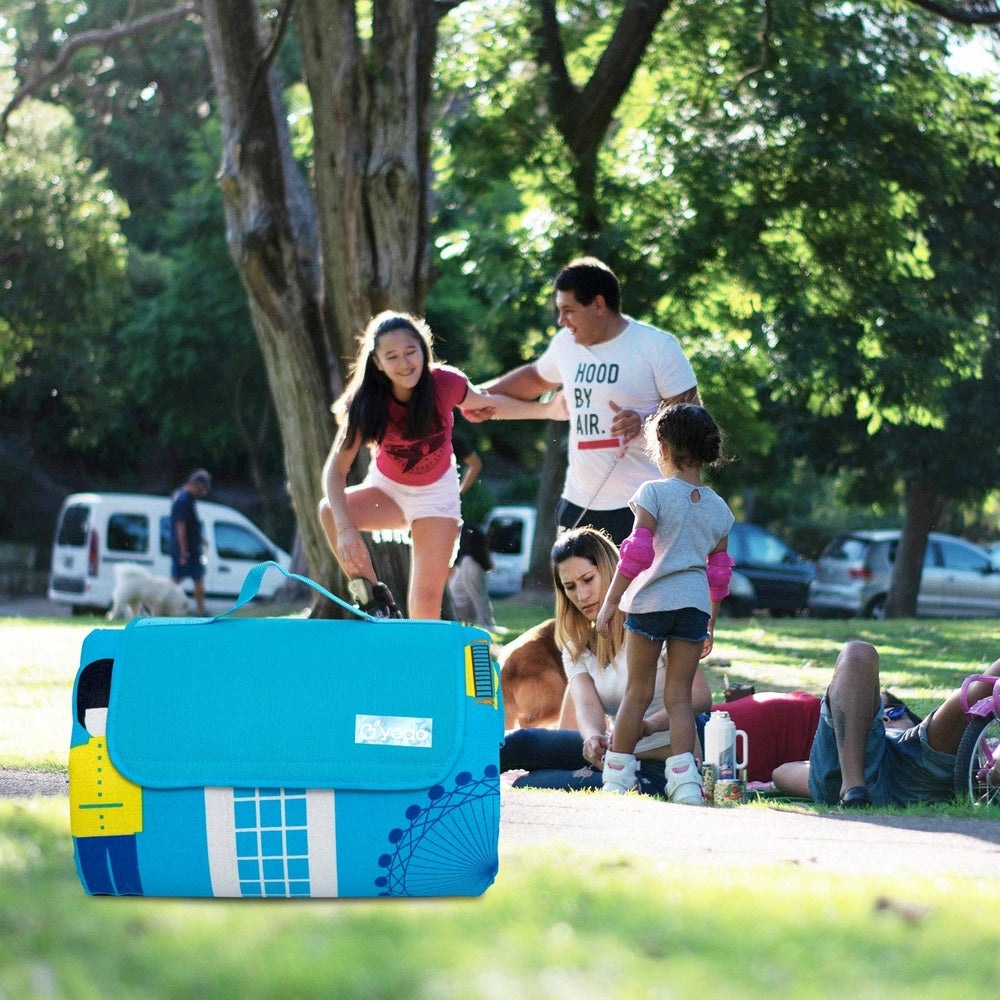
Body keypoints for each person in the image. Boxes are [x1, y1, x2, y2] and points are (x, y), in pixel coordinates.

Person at [318, 310, 559, 620]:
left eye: (410, 351)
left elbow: (488, 403)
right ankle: (375, 602)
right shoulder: (366, 405)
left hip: (435, 498)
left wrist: (548, 410)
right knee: (331, 510)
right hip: (388, 491)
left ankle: (421, 664)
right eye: (392, 356)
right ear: (377, 363)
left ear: (423, 349)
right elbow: (335, 471)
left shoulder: (445, 383)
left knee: (426, 604)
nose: (404, 363)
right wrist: (345, 530)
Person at [471, 257, 699, 545]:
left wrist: (646, 423)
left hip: (643, 506)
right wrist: (478, 395)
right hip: (579, 503)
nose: (561, 321)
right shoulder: (565, 345)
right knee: (571, 589)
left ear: (599, 306)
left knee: (635, 593)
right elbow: (535, 378)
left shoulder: (656, 346)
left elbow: (694, 418)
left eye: (569, 311)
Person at [499, 526, 713, 796]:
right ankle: (442, 776)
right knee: (519, 743)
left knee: (530, 783)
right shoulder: (576, 641)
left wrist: (646, 727)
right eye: (570, 587)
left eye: (588, 579)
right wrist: (591, 739)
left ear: (611, 569)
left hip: (664, 762)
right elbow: (586, 703)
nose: (581, 595)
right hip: (615, 755)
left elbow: (700, 696)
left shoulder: (654, 618)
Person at [596, 403, 735, 804]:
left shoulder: (652, 493)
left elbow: (637, 552)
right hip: (693, 608)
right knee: (678, 697)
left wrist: (611, 600)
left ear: (664, 447)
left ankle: (618, 779)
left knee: (637, 693)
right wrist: (711, 624)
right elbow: (719, 575)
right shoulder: (720, 509)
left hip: (651, 601)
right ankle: (686, 783)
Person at [773, 640, 1000, 808]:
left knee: (976, 692)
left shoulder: (923, 735)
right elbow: (781, 773)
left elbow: (781, 774)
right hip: (851, 774)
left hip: (921, 765)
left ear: (912, 718)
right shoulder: (835, 757)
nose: (885, 718)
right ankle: (853, 789)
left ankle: (853, 790)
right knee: (857, 652)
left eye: (893, 711)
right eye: (873, 713)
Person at [170, 469, 211, 615]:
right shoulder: (183, 500)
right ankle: (201, 610)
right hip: (186, 549)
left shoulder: (183, 496)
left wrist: (199, 538)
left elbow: (190, 524)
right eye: (202, 489)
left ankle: (201, 610)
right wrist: (183, 551)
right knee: (176, 580)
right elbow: (181, 526)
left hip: (189, 547)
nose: (202, 493)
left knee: (193, 578)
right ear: (196, 485)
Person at [448, 522, 496, 629]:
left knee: (477, 594)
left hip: (469, 562)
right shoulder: (468, 561)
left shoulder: (469, 561)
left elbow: (478, 594)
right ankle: (481, 622)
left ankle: (486, 623)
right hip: (459, 612)